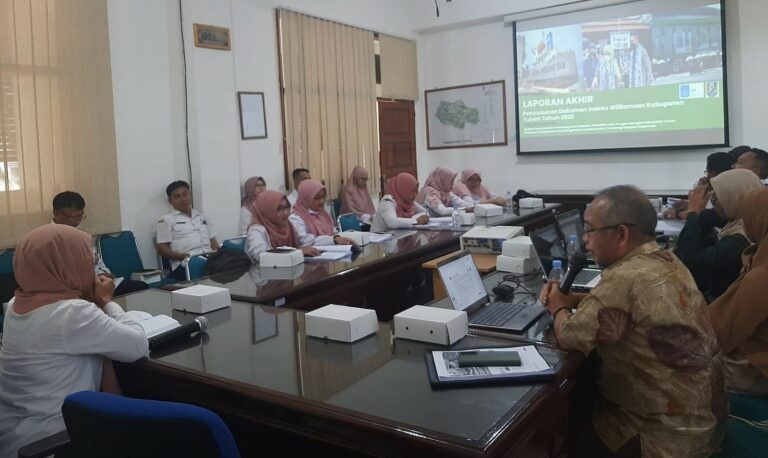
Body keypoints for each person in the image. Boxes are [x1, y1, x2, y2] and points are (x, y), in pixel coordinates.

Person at [540, 185, 725, 457]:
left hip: (659, 437)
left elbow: (569, 336)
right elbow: (634, 305)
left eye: (590, 230)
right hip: (700, 422)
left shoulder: (625, 277)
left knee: (559, 420)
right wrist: (574, 300)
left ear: (621, 234)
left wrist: (558, 307)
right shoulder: (666, 258)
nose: (585, 241)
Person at [0, 224, 149, 457]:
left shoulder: (14, 305)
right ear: (66, 264)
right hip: (60, 442)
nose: (92, 266)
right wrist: (107, 301)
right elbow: (138, 345)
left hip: (17, 440)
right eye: (89, 259)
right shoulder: (71, 313)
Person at [709, 187, 768, 395]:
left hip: (757, 369)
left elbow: (725, 333)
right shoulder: (758, 258)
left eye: (745, 219)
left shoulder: (760, 277)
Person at [675, 169, 763, 303]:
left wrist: (693, 212)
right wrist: (696, 211)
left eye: (717, 197)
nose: (713, 202)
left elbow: (692, 260)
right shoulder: (738, 221)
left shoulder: (739, 241)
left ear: (734, 198)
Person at [52, 191, 148, 296]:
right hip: (74, 289)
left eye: (80, 216)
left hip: (98, 283)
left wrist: (104, 273)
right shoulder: (48, 239)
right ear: (56, 213)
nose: (76, 221)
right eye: (72, 217)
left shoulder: (82, 234)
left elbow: (96, 260)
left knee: (140, 287)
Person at [155, 180, 219, 280]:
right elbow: (162, 249)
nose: (183, 199)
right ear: (170, 201)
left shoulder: (201, 217)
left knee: (233, 259)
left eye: (185, 194)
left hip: (208, 258)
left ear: (190, 195)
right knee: (200, 264)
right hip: (185, 262)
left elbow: (214, 243)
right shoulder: (166, 220)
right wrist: (182, 256)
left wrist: (219, 254)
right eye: (177, 196)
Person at [244, 190, 320, 262]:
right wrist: (297, 252)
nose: (286, 212)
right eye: (279, 209)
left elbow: (305, 240)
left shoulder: (288, 225)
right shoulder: (256, 230)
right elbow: (260, 255)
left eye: (287, 207)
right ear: (267, 210)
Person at [662, 152, 737, 220]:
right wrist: (690, 205)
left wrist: (677, 214)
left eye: (707, 172)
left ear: (713, 173)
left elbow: (706, 216)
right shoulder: (730, 189)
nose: (707, 176)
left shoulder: (726, 195)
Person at [289, 179, 355, 247]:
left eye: (323, 197)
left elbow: (333, 232)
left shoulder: (323, 214)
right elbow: (305, 240)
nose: (322, 201)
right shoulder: (296, 217)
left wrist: (341, 237)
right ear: (306, 198)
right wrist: (333, 240)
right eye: (317, 198)